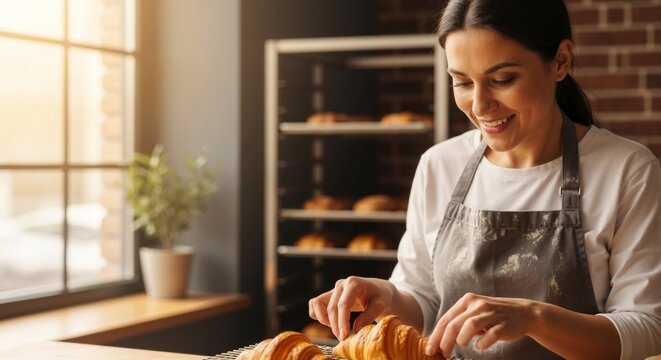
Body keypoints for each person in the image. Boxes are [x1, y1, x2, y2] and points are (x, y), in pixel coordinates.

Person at [308, 1, 661, 359]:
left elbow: (648, 327)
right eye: (461, 82)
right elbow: (424, 300)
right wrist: (387, 295)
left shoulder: (627, 170)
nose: (479, 105)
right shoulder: (439, 165)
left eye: (502, 80)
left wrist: (534, 318)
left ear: (561, 61)